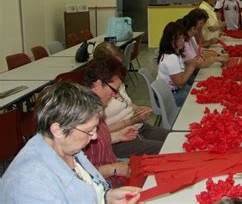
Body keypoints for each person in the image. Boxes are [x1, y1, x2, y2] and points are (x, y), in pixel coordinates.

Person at [0, 82, 141, 203]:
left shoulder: (65, 147)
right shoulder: (31, 186)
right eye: (89, 130)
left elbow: (87, 186)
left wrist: (107, 197)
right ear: (58, 130)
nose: (94, 136)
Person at [83, 57, 158, 188]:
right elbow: (77, 173)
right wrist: (113, 169)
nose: (115, 95)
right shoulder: (80, 117)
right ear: (97, 84)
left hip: (113, 172)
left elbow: (97, 142)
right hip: (101, 185)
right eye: (114, 90)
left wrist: (118, 136)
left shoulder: (95, 107)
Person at [92, 42, 169, 158]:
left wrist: (138, 109)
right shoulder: (97, 95)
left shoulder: (116, 80)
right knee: (168, 148)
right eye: (115, 65)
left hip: (138, 127)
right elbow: (100, 133)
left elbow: (127, 103)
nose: (120, 69)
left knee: (175, 138)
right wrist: (131, 121)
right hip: (119, 141)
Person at [157, 21, 203, 107]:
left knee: (200, 90)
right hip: (170, 96)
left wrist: (192, 64)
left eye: (183, 38)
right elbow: (180, 84)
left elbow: (181, 74)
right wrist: (192, 66)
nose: (182, 41)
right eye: (178, 38)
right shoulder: (171, 58)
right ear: (170, 39)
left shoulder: (174, 52)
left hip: (173, 91)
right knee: (198, 100)